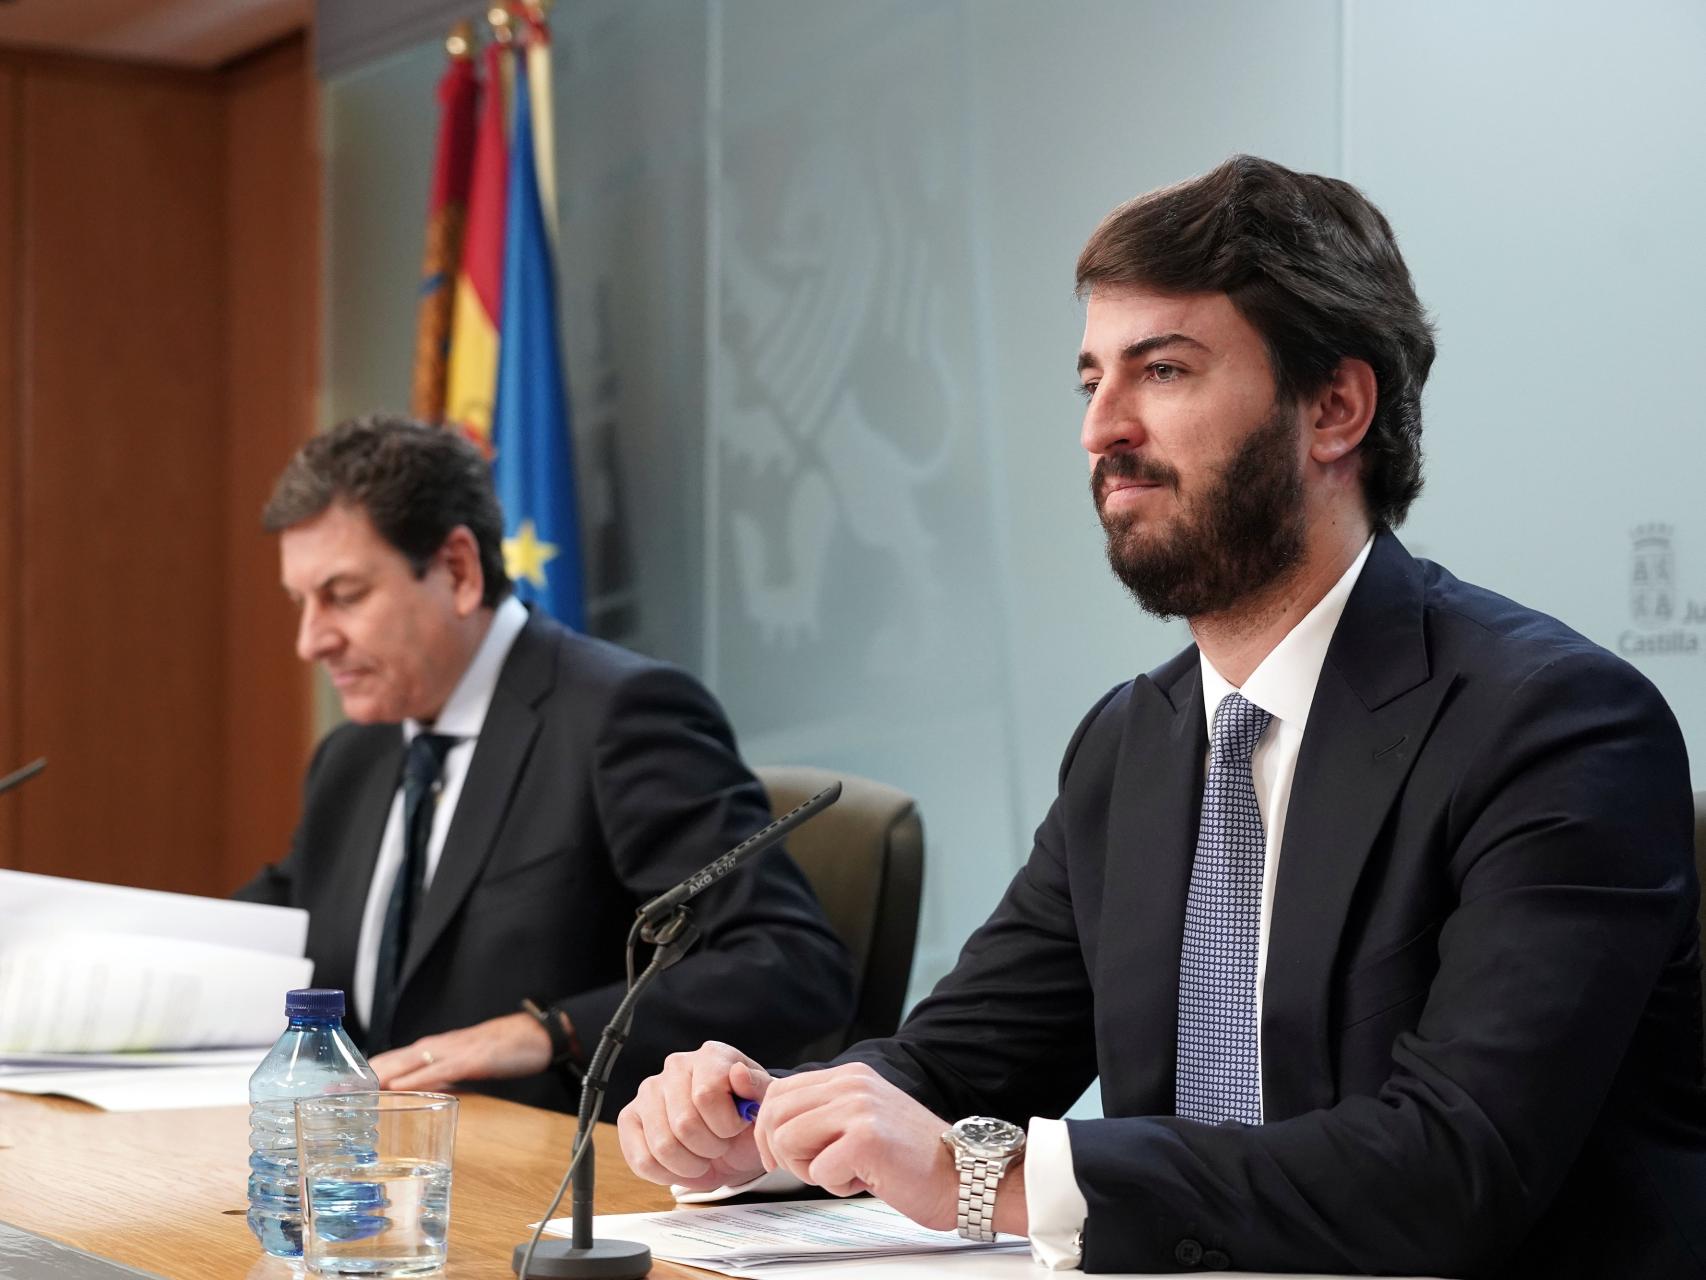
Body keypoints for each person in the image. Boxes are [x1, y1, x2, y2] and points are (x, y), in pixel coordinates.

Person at [616, 156, 1706, 1277]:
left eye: (1162, 370)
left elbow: (1450, 1163)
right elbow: (956, 1067)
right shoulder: (1130, 742)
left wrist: (985, 1178)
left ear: (1333, 408)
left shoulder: (1552, 725)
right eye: (1088, 378)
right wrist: (770, 1123)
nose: (1100, 429)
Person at [237, 417, 853, 1113]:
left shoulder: (620, 716)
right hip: (374, 1172)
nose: (310, 640)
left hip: (560, 1177)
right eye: (300, 603)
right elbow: (286, 927)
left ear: (458, 571)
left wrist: (549, 1031)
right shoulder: (355, 754)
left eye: (343, 596)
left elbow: (791, 964)